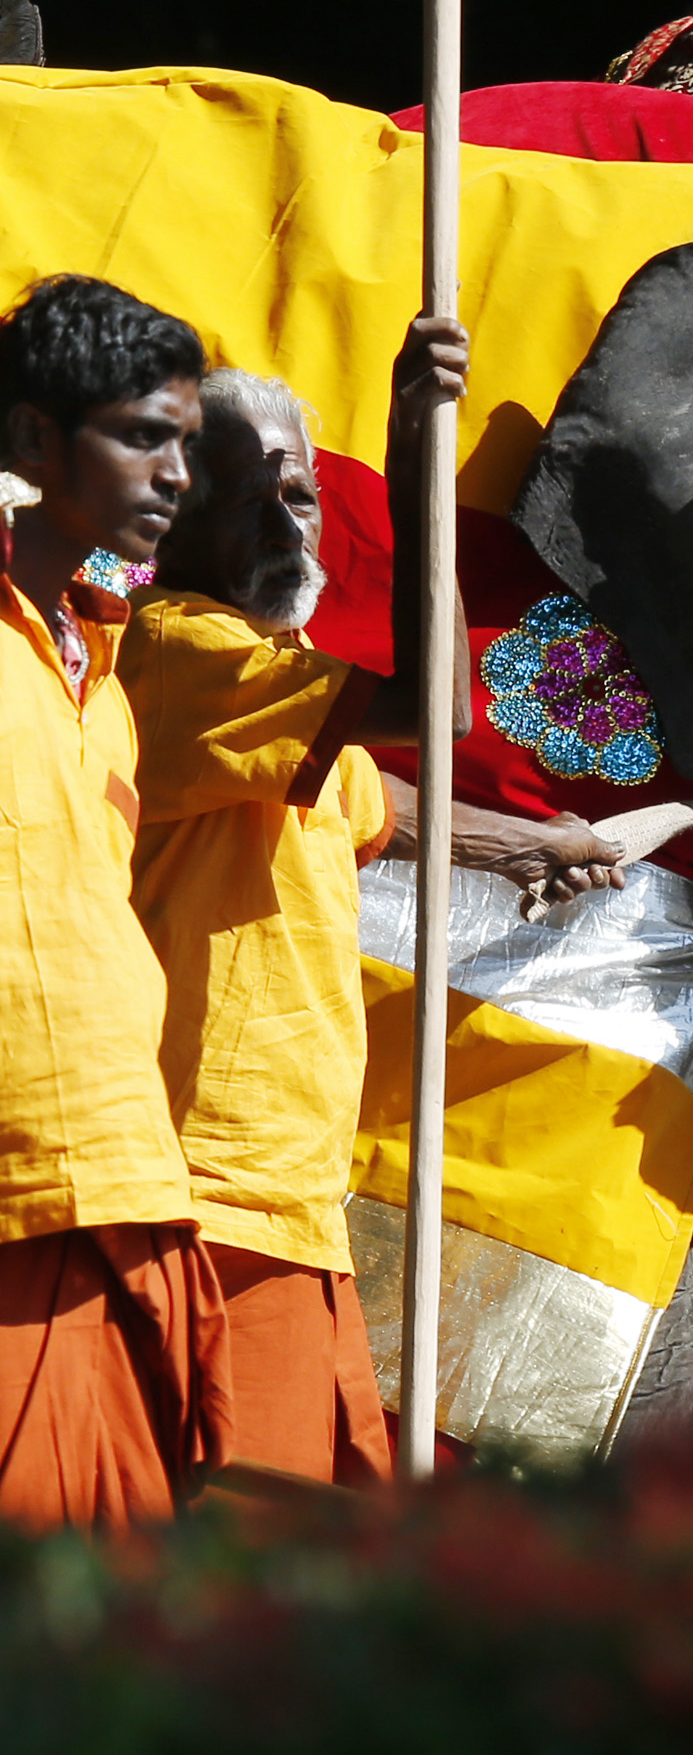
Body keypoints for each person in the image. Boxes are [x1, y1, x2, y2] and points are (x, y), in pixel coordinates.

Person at [119, 333, 624, 1487]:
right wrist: (416, 468)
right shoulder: (178, 650)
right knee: (230, 1568)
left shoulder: (268, 674)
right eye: (248, 498)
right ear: (173, 514)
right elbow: (436, 714)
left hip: (281, 1194)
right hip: (205, 1191)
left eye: (298, 493)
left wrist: (527, 842)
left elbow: (375, 801)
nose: (288, 525)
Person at [0, 276, 227, 1524]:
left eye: (185, 443)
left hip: (126, 1161)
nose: (178, 473)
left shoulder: (105, 660)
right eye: (145, 433)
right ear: (35, 438)